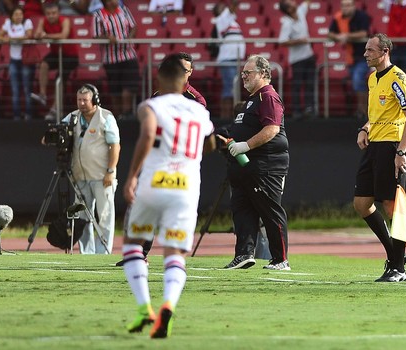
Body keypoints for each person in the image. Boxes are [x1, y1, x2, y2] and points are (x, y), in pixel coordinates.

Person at [121, 54, 214, 338]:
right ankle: (168, 305)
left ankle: (143, 308)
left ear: (160, 78)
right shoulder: (199, 110)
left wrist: (132, 176)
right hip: (186, 188)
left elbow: (148, 134)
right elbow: (209, 145)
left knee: (133, 243)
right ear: (184, 78)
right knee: (175, 253)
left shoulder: (151, 105)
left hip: (155, 182)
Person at [115, 52, 208, 268]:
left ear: (191, 72)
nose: (182, 73)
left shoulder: (197, 100)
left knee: (167, 216)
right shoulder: (158, 95)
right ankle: (142, 253)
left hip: (181, 163)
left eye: (186, 70)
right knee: (146, 210)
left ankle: (163, 257)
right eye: (180, 69)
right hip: (159, 160)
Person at [355, 33, 406, 282]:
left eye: (370, 50)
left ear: (385, 52)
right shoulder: (373, 79)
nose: (365, 54)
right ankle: (395, 255)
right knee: (361, 204)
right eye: (366, 49)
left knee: (394, 206)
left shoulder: (398, 78)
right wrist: (365, 128)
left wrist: (401, 151)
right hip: (374, 145)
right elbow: (378, 113)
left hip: (392, 145)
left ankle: (398, 268)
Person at [223, 54, 290, 271]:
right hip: (248, 166)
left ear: (263, 73)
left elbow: (271, 129)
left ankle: (280, 259)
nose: (243, 76)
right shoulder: (253, 99)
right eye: (243, 73)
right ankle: (244, 254)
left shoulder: (267, 96)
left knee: (269, 211)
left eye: (248, 72)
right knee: (242, 209)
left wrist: (246, 146)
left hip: (265, 165)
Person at [65, 84, 120, 254]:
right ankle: (86, 253)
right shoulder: (73, 117)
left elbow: (115, 146)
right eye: (79, 100)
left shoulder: (106, 117)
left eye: (85, 100)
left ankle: (103, 253)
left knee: (104, 216)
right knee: (82, 218)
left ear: (95, 100)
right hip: (80, 176)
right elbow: (57, 131)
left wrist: (110, 171)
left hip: (101, 176)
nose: (81, 104)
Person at [31, 2, 80, 120]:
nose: (51, 16)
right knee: (44, 64)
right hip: (56, 53)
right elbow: (37, 34)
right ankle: (42, 94)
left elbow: (63, 35)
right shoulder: (43, 21)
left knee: (60, 77)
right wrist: (38, 34)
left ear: (58, 13)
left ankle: (55, 108)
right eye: (48, 14)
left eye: (53, 13)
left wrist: (45, 35)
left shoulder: (65, 20)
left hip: (71, 56)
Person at [93, 0, 140, 119]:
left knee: (128, 86)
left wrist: (129, 37)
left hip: (128, 55)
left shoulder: (124, 10)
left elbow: (133, 26)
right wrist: (107, 37)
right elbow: (96, 35)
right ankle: (117, 116)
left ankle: (127, 113)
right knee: (115, 89)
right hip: (111, 59)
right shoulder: (98, 15)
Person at [328, 0, 371, 120]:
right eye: (343, 6)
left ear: (353, 6)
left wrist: (346, 36)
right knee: (356, 83)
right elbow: (330, 33)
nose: (345, 8)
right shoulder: (338, 17)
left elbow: (363, 33)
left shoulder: (362, 16)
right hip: (350, 56)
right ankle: (363, 110)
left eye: (348, 5)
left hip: (365, 55)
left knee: (358, 80)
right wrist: (338, 37)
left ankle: (364, 110)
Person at [278, 0, 316, 120]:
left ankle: (309, 109)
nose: (295, 3)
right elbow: (282, 41)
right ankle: (297, 110)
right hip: (297, 59)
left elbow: (307, 2)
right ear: (288, 9)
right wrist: (299, 41)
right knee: (297, 85)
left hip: (309, 55)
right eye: (291, 3)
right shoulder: (287, 23)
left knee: (310, 84)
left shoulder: (300, 11)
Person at [0, 6, 35, 120]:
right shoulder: (8, 23)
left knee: (27, 88)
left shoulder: (27, 22)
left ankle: (28, 114)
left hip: (25, 60)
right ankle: (16, 115)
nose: (18, 16)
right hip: (14, 60)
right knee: (15, 89)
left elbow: (28, 35)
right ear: (12, 16)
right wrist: (5, 39)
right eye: (16, 14)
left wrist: (11, 38)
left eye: (20, 14)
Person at [214, 0, 245, 119]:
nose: (225, 8)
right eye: (222, 8)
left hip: (235, 59)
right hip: (228, 59)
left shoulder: (232, 22)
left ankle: (232, 115)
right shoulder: (220, 20)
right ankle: (226, 117)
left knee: (233, 87)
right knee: (230, 88)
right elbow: (232, 7)